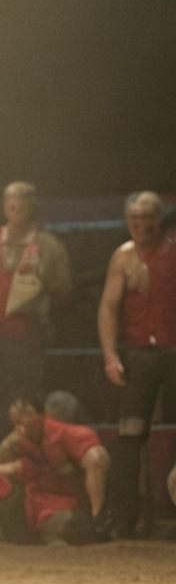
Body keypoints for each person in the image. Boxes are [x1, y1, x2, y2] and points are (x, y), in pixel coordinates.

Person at [0, 182, 72, 453]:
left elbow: (61, 289)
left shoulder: (48, 246)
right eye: (11, 203)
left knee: (24, 399)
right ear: (5, 207)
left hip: (25, 332)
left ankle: (28, 458)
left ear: (32, 207)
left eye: (22, 203)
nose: (16, 209)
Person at [98, 191, 176, 538]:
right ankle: (125, 518)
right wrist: (111, 356)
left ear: (159, 219)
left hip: (174, 351)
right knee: (129, 434)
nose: (141, 225)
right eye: (135, 219)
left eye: (147, 218)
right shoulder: (124, 256)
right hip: (140, 354)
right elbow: (108, 307)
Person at [0, 394, 111, 544]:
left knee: (62, 523)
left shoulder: (66, 434)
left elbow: (97, 459)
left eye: (22, 420)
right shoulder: (19, 442)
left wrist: (95, 514)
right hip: (23, 505)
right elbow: (2, 467)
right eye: (15, 423)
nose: (19, 428)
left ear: (38, 416)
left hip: (61, 508)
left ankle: (93, 523)